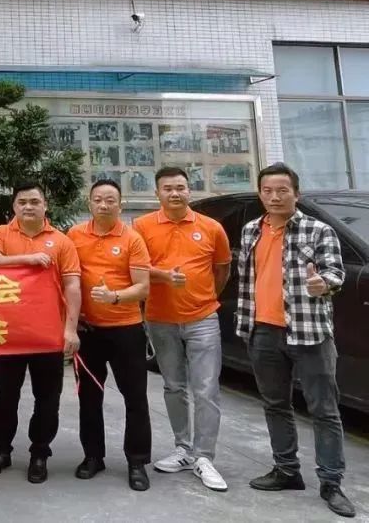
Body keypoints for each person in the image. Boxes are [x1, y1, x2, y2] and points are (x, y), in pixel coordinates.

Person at [237, 163, 354, 518]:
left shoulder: (318, 230)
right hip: (262, 330)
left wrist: (323, 284)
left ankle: (331, 482)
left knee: (324, 409)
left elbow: (335, 272)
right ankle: (286, 470)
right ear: (260, 194)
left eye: (282, 190)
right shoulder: (250, 230)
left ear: (296, 194)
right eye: (267, 191)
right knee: (275, 404)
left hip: (309, 333)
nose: (274, 197)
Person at [134, 166, 231, 492]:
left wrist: (205, 298)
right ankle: (183, 449)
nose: (174, 193)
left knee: (206, 388)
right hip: (160, 319)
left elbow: (222, 269)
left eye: (180, 187)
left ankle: (204, 456)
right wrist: (163, 277)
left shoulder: (211, 227)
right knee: (174, 386)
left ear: (190, 190)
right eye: (167, 188)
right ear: (157, 193)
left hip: (203, 318)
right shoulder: (142, 226)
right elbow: (135, 268)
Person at [0, 182, 81, 483]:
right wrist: (28, 259)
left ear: (45, 205)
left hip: (47, 334)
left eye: (34, 201)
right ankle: (1, 449)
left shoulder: (61, 241)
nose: (28, 206)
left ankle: (40, 453)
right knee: (3, 397)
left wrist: (70, 329)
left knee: (47, 399)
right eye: (22, 201)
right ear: (14, 206)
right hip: (8, 333)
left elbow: (72, 285)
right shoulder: (1, 233)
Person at [67, 179, 152, 491]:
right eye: (98, 199)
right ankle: (93, 456)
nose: (103, 205)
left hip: (126, 330)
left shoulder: (132, 239)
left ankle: (137, 461)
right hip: (88, 331)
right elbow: (66, 279)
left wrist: (114, 296)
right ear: (89, 203)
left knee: (135, 397)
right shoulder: (74, 235)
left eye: (110, 200)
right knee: (89, 397)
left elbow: (143, 287)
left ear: (121, 204)